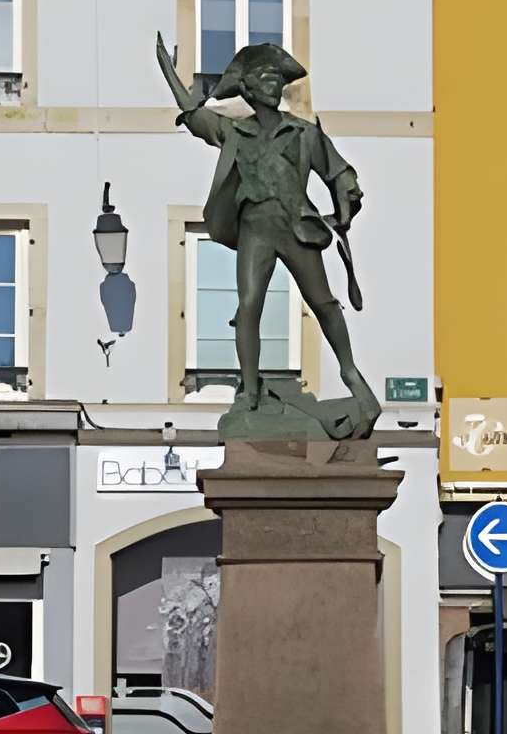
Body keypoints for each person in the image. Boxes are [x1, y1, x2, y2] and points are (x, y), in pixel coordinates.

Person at [155, 31, 379, 433]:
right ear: (247, 88)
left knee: (324, 303)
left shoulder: (303, 132)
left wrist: (346, 201)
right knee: (249, 306)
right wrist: (170, 75)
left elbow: (339, 172)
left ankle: (350, 373)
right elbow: (194, 115)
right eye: (265, 79)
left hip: (296, 227)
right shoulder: (234, 133)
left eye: (278, 79)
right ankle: (251, 393)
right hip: (255, 228)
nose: (274, 85)